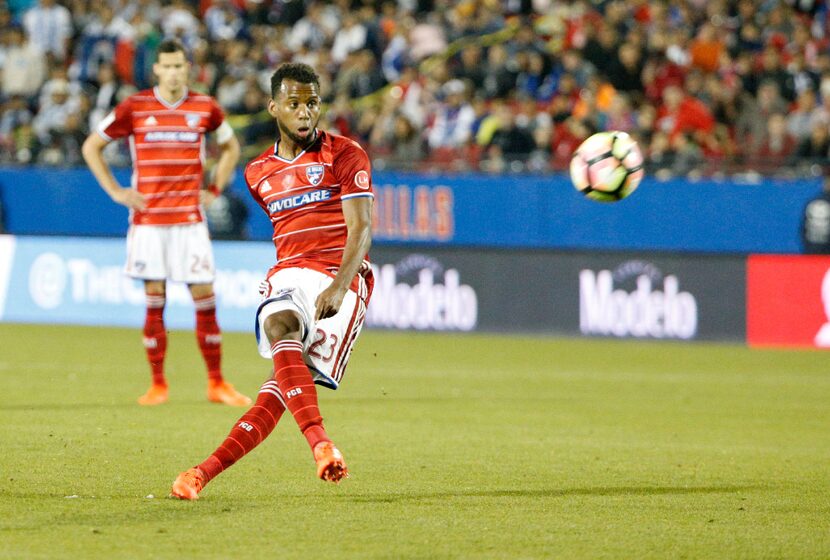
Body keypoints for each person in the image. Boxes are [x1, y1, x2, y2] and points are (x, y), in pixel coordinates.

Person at [170, 62, 374, 499]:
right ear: (274, 107)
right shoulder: (257, 172)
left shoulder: (346, 154)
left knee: (281, 387)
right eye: (295, 104)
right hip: (291, 274)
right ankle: (320, 444)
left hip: (343, 277)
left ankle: (204, 471)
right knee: (279, 323)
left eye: (313, 103)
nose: (305, 112)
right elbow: (287, 233)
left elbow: (361, 228)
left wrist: (339, 285)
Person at [81, 39, 251, 407]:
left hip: (190, 220)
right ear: (156, 69)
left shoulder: (204, 107)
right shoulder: (135, 107)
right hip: (149, 221)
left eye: (179, 66)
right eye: (167, 66)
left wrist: (216, 186)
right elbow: (91, 146)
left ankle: (217, 383)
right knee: (154, 302)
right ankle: (158, 384)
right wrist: (115, 191)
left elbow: (231, 148)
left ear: (188, 68)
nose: (174, 72)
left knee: (205, 299)